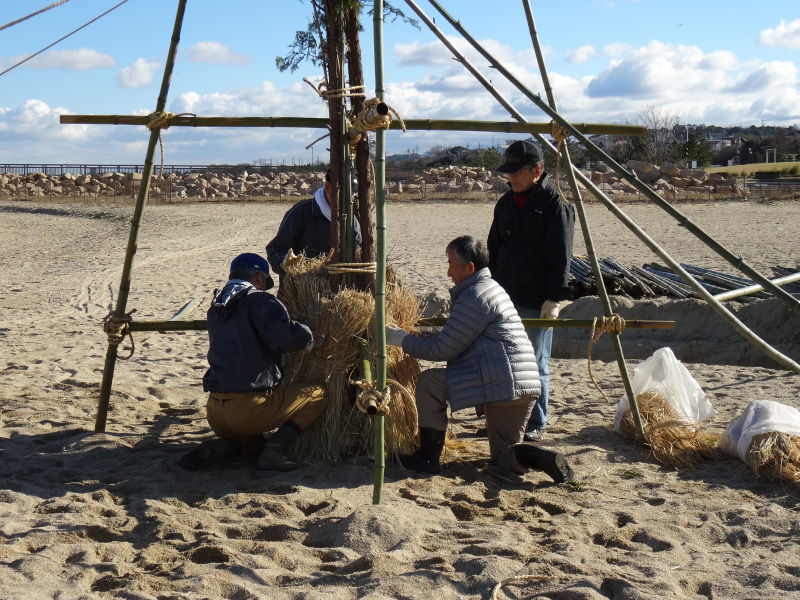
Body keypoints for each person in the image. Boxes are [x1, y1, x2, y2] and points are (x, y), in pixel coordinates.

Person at [385, 235, 573, 483]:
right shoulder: (492, 289)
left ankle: (427, 458)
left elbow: (443, 350)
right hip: (523, 388)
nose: (448, 271)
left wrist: (399, 339)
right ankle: (538, 457)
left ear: (469, 267)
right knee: (504, 458)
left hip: (499, 383)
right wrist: (418, 335)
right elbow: (458, 335)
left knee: (430, 382)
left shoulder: (474, 297)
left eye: (451, 264)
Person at [178, 252, 327, 472]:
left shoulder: (216, 307)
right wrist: (307, 336)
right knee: (318, 394)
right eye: (264, 282)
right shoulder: (260, 300)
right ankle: (275, 450)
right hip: (249, 409)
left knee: (253, 444)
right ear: (258, 276)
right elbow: (283, 337)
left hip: (216, 412)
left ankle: (219, 447)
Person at [488, 140, 575, 442]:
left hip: (536, 300)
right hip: (504, 297)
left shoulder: (555, 205)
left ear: (537, 170)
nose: (510, 177)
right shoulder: (505, 204)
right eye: (508, 172)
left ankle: (535, 423)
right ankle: (507, 420)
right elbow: (493, 250)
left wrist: (555, 298)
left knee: (535, 363)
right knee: (503, 360)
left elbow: (560, 255)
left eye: (516, 172)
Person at [265, 169, 361, 290]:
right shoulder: (301, 212)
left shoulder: (353, 217)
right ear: (327, 187)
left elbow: (359, 250)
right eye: (341, 193)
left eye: (351, 195)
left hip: (338, 295)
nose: (346, 200)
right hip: (300, 294)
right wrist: (285, 264)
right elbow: (275, 249)